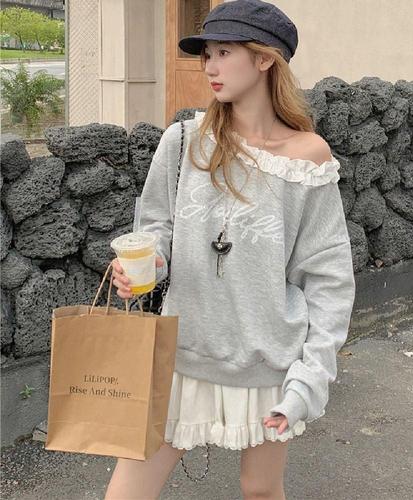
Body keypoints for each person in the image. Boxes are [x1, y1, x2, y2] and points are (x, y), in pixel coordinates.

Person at [105, 0, 356, 498]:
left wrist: (309, 381)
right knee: (129, 489)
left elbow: (327, 277)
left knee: (260, 488)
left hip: (265, 360)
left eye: (224, 52)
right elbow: (156, 228)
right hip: (183, 352)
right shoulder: (183, 141)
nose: (210, 67)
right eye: (207, 55)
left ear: (264, 59)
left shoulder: (308, 158)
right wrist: (148, 265)